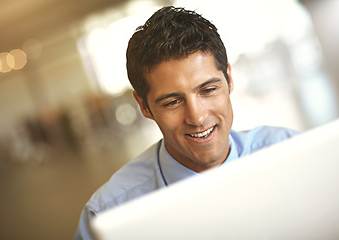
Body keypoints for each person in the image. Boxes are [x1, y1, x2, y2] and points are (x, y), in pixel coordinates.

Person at [74, 6, 298, 239]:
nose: (197, 117)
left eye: (208, 89)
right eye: (172, 102)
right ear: (143, 106)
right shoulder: (107, 213)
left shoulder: (292, 152)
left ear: (229, 79)